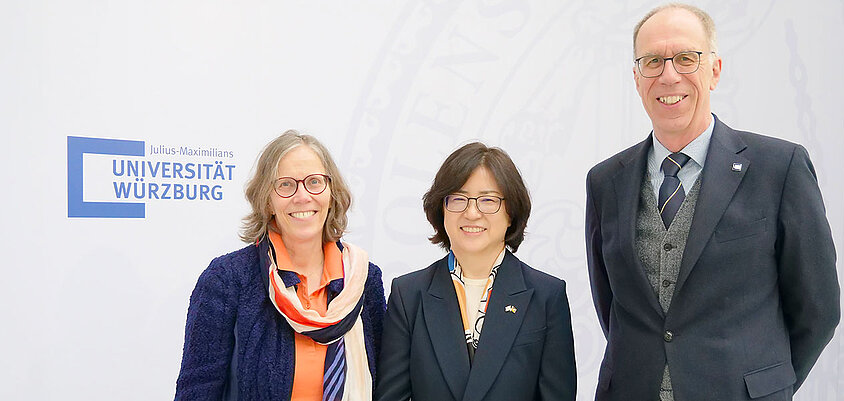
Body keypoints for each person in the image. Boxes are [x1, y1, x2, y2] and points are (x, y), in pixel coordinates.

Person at [585, 4, 840, 401]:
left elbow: (818, 309)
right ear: (637, 79)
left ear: (715, 70)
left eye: (686, 58)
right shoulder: (605, 181)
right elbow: (611, 307)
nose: (669, 75)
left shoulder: (780, 168)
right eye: (652, 61)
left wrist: (766, 384)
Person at [175, 131, 385, 400]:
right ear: (267, 200)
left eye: (314, 182)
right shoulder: (227, 279)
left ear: (331, 193)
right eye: (285, 185)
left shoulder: (364, 278)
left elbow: (382, 385)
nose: (302, 196)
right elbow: (198, 389)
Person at [376, 143, 576, 401]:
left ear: (511, 212)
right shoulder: (408, 295)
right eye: (458, 199)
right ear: (441, 209)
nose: (472, 213)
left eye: (488, 200)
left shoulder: (546, 295)